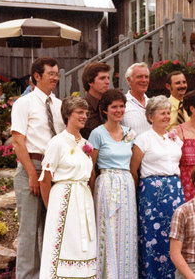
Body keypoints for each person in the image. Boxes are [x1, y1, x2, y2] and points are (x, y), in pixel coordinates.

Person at [11, 57, 65, 279]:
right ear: (37, 76)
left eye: (56, 73)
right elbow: (17, 142)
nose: (55, 77)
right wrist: (33, 175)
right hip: (31, 167)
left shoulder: (60, 105)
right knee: (30, 230)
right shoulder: (24, 103)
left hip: (54, 170)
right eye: (50, 73)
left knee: (52, 227)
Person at [38, 97, 96, 278]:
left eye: (86, 113)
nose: (84, 116)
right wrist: (53, 209)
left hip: (83, 198)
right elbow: (45, 180)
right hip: (63, 200)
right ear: (67, 114)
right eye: (79, 112)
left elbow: (90, 175)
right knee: (63, 246)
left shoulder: (86, 144)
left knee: (83, 247)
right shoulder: (57, 142)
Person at [130, 95, 185, 279]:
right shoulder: (143, 139)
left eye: (168, 112)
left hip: (175, 191)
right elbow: (133, 169)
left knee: (175, 234)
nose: (167, 116)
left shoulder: (175, 139)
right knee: (153, 235)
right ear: (151, 116)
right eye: (162, 113)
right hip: (152, 193)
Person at [88, 89, 137, 278]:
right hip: (106, 183)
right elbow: (91, 167)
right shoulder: (97, 134)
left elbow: (133, 164)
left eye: (122, 106)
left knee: (126, 233)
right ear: (105, 110)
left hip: (126, 184)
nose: (119, 110)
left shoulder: (129, 133)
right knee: (107, 231)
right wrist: (93, 192)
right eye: (114, 106)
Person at [80, 62, 111, 139]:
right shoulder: (80, 107)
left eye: (108, 78)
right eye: (102, 78)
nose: (107, 82)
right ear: (90, 82)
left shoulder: (111, 105)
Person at [121, 62, 152, 135]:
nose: (144, 80)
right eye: (139, 77)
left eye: (146, 77)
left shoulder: (152, 103)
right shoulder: (122, 103)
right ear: (129, 80)